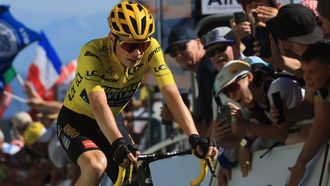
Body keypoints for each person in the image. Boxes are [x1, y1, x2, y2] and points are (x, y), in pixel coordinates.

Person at [56, 2, 217, 186]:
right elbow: (98, 103)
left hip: (112, 118)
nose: (138, 52)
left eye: (143, 44)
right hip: (76, 120)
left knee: (136, 174)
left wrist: (194, 137)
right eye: (130, 46)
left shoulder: (152, 49)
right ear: (112, 39)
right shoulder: (92, 53)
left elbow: (170, 93)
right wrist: (117, 143)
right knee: (95, 165)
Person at [287, 42, 330, 186]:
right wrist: (301, 163)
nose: (306, 78)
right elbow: (321, 124)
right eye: (304, 71)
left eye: (312, 72)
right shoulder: (321, 88)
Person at [164, 26, 218, 136]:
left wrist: (208, 146)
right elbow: (203, 125)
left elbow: (219, 115)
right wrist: (179, 113)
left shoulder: (209, 68)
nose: (179, 55)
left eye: (182, 47)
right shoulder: (202, 70)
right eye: (173, 53)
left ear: (198, 43)